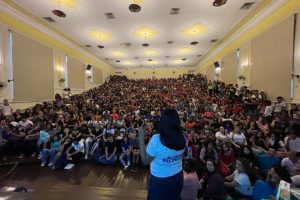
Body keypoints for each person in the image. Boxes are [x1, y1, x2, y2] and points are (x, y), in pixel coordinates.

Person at [139, 108, 186, 200]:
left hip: (160, 180)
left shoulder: (157, 139)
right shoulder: (183, 136)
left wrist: (141, 136)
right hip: (178, 176)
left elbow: (145, 161)